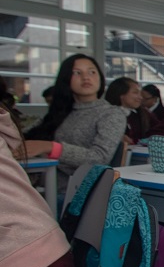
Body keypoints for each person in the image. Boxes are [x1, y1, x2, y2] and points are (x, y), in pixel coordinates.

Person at [0, 102, 76, 267]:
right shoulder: (64, 113)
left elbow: (100, 155)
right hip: (44, 246)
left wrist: (52, 148)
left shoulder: (109, 113)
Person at [18, 54, 126, 205]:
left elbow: (99, 158)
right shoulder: (61, 111)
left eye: (92, 72)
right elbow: (29, 135)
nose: (86, 77)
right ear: (66, 78)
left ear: (100, 78)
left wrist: (51, 148)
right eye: (77, 72)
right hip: (42, 188)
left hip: (76, 195)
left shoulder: (111, 113)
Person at [105, 77, 158, 144]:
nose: (140, 97)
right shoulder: (106, 115)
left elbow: (159, 129)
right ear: (121, 94)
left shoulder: (143, 113)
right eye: (135, 93)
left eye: (140, 93)